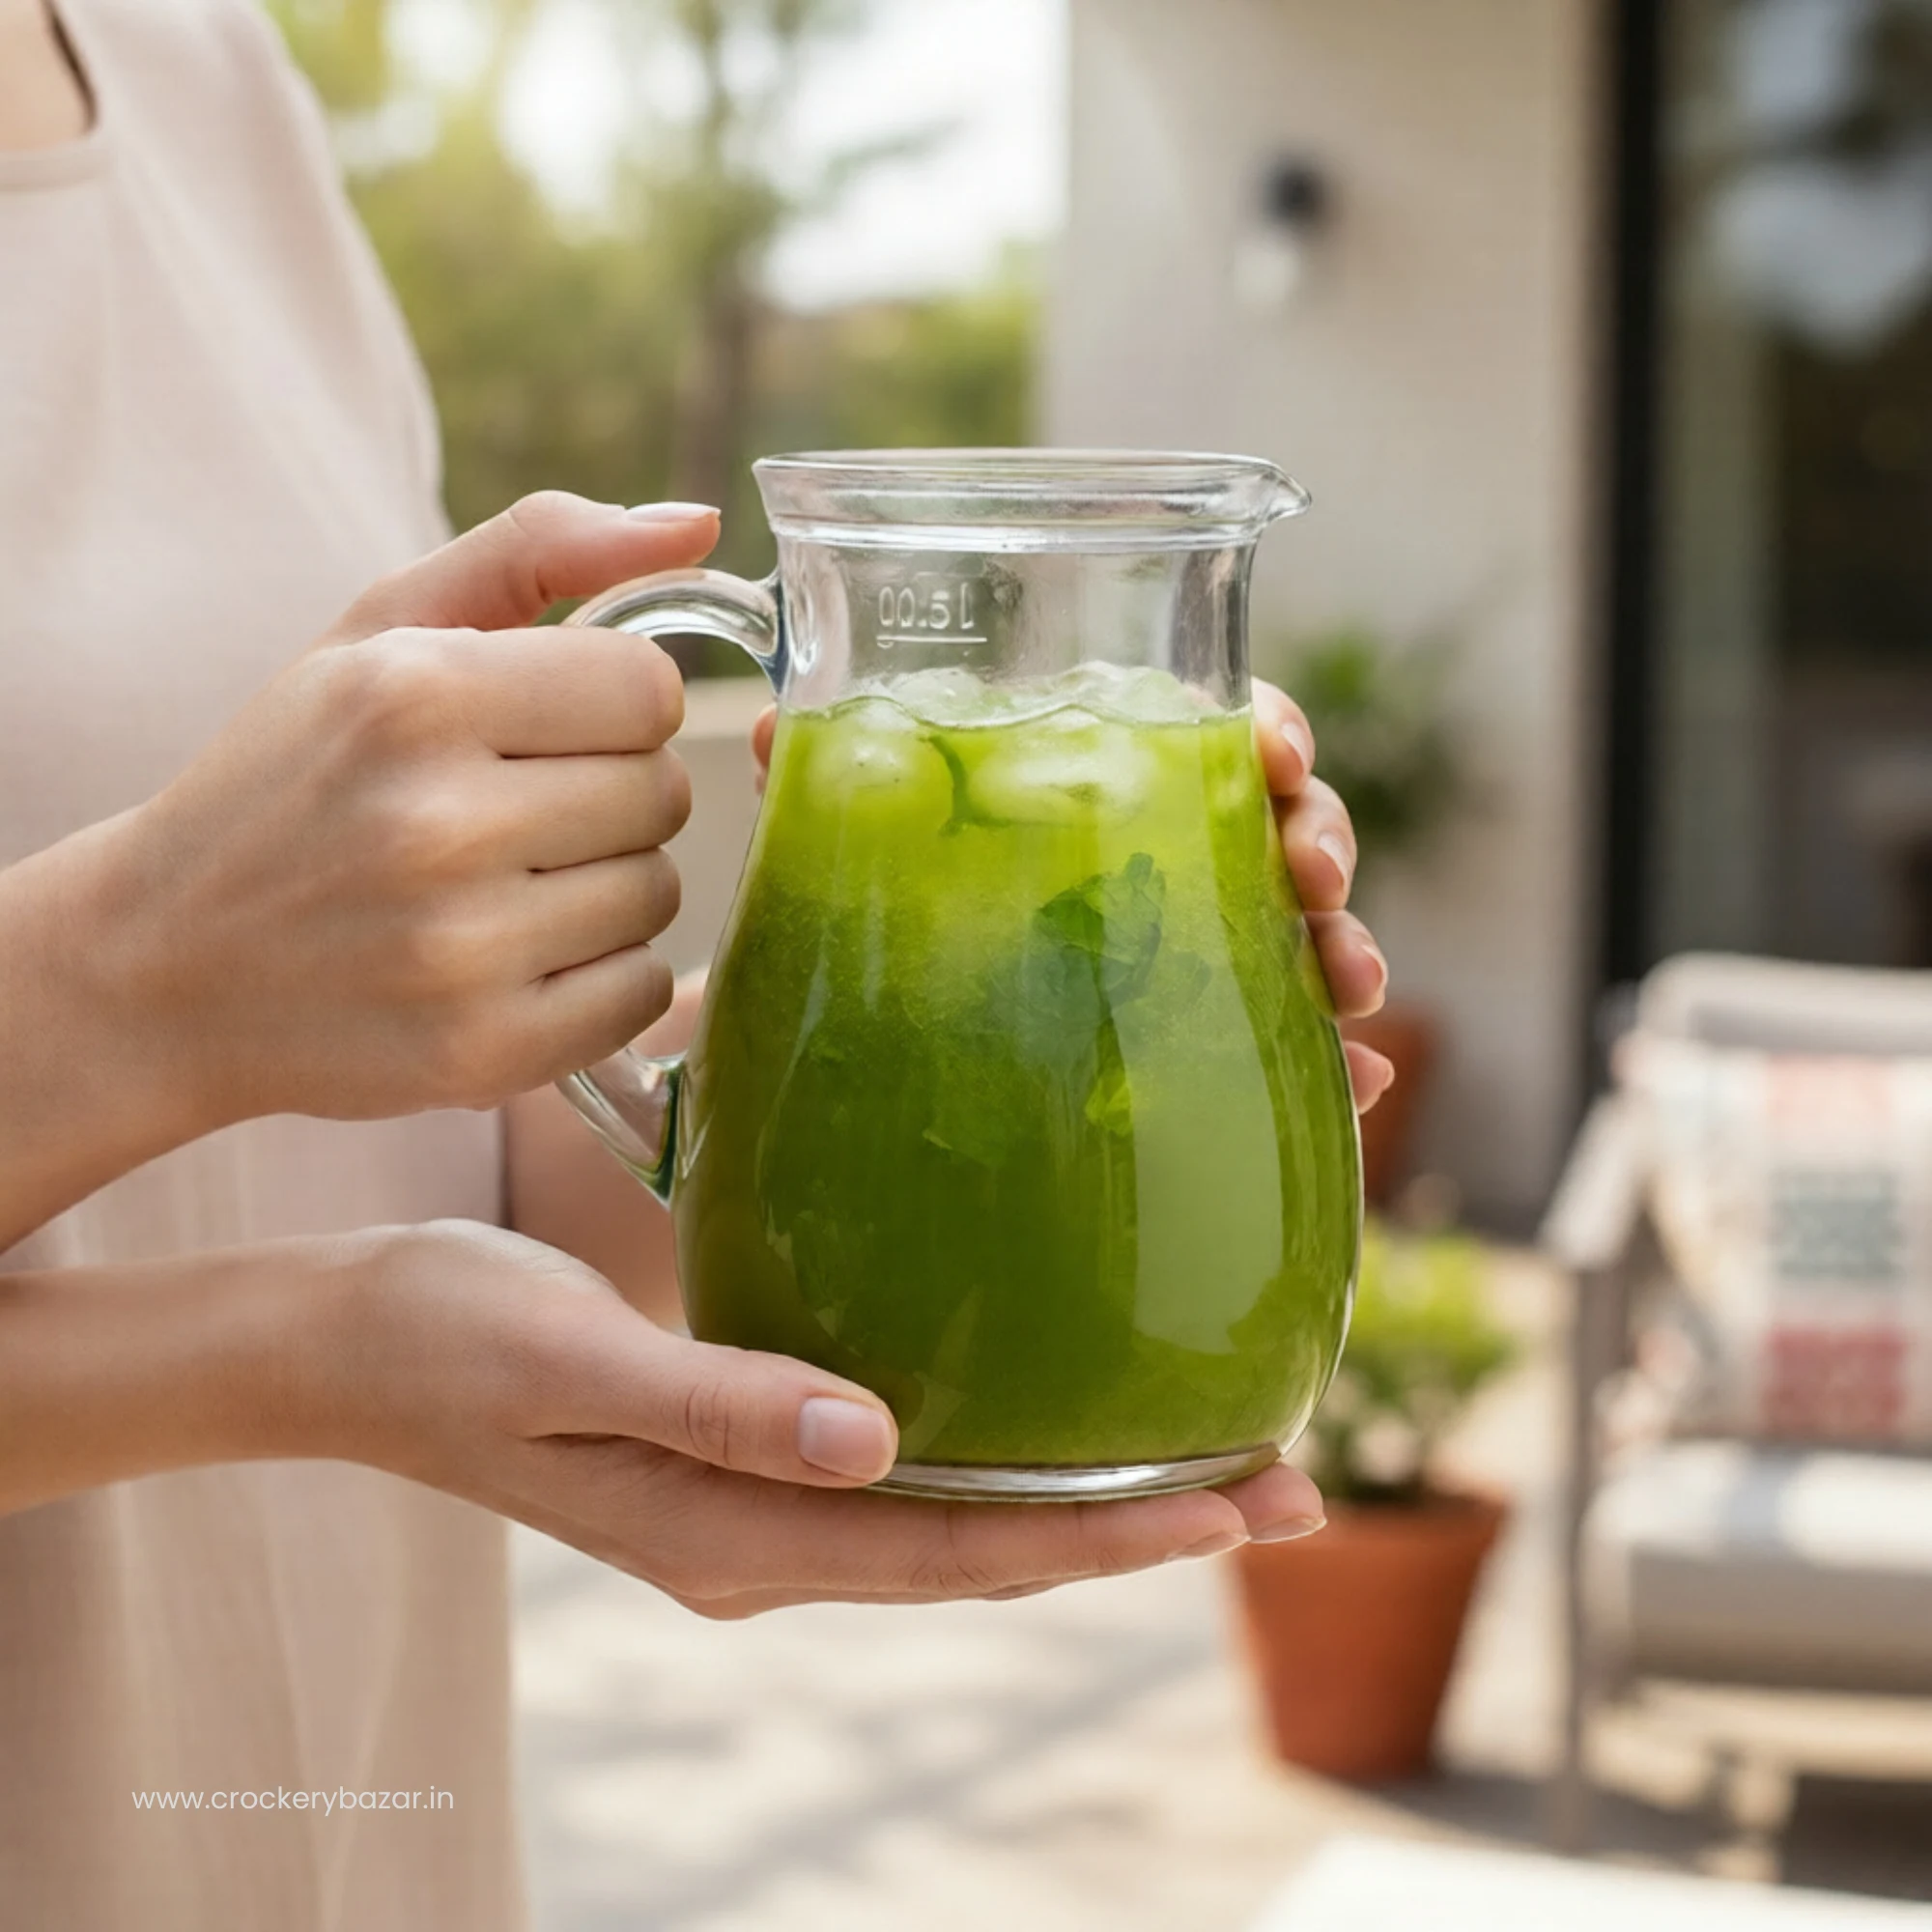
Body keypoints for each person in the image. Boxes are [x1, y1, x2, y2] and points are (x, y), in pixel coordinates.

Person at [0, 1, 1394, 1925]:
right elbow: (219, 1062)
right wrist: (147, 986)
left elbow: (389, 1170)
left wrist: (936, 1087)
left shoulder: (213, 87)